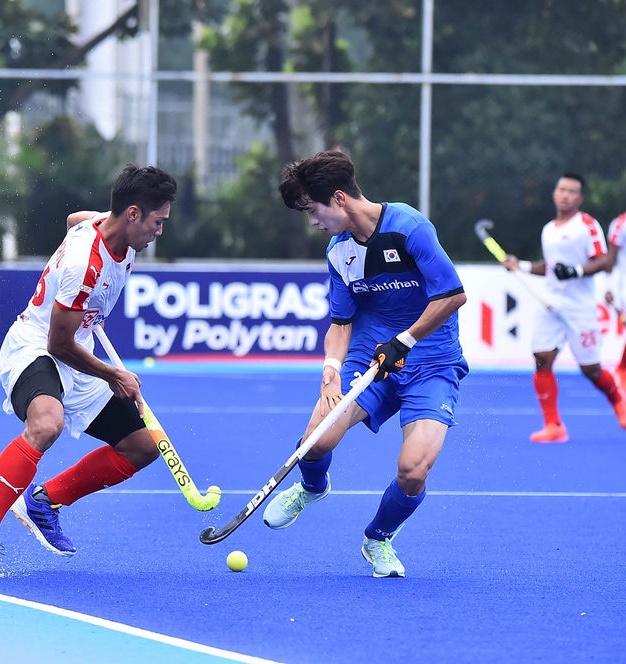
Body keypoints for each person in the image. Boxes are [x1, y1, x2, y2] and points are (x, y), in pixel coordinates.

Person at [0, 165, 177, 578]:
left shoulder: (106, 226)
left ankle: (44, 502)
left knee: (143, 446)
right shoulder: (84, 266)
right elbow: (57, 344)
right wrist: (114, 375)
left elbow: (76, 220)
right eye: (157, 222)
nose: (159, 232)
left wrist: (87, 319)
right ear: (132, 214)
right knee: (46, 424)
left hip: (77, 349)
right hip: (35, 348)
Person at [262, 150, 468, 578]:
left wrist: (405, 340)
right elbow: (340, 324)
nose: (313, 222)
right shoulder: (339, 252)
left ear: (339, 199)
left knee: (413, 471)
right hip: (370, 357)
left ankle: (378, 537)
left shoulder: (409, 227)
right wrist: (331, 370)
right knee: (315, 441)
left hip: (432, 362)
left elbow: (452, 295)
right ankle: (312, 488)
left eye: (313, 210)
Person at [501, 173, 626, 442]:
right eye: (561, 189)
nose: (565, 195)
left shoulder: (587, 225)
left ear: (580, 198)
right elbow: (551, 268)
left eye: (572, 191)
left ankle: (619, 401)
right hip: (551, 306)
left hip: (579, 309)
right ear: (554, 193)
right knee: (542, 358)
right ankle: (554, 425)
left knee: (591, 370)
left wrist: (575, 270)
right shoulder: (549, 230)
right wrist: (520, 265)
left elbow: (603, 261)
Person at [603, 209, 626, 385]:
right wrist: (608, 287)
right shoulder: (621, 224)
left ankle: (621, 369)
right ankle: (621, 370)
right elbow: (610, 258)